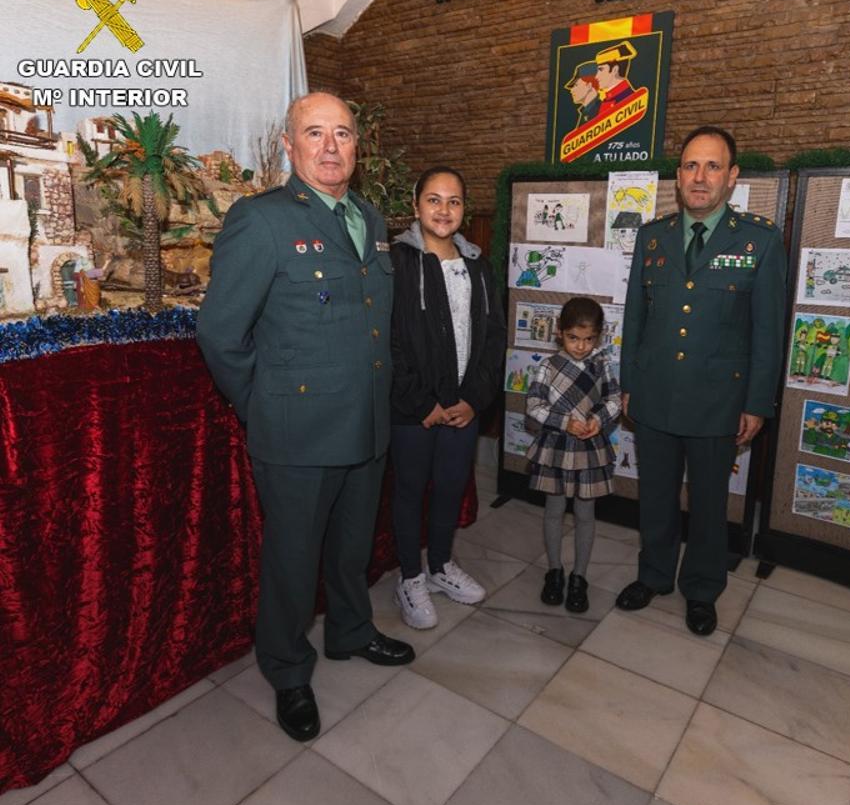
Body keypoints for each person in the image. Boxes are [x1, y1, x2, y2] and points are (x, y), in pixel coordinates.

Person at [196, 92, 412, 743]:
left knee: (350, 548)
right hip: (297, 433)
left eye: (342, 133)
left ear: (357, 147)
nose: (329, 146)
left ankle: (350, 630)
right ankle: (288, 668)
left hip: (365, 424)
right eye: (313, 133)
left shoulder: (370, 217)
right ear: (288, 146)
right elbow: (219, 332)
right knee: (293, 561)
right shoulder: (260, 221)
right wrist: (261, 404)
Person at [617, 125, 785, 636]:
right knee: (657, 495)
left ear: (732, 177)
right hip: (656, 392)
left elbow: (768, 330)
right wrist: (629, 383)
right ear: (677, 176)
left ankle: (703, 588)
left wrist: (756, 401)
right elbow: (635, 319)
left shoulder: (759, 240)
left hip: (719, 401)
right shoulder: (653, 236)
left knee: (710, 503)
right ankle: (654, 575)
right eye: (690, 165)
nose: (700, 176)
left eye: (713, 166)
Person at [389, 166, 506, 630]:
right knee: (410, 490)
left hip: (463, 408)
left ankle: (439, 566)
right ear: (416, 206)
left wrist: (475, 399)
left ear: (464, 209)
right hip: (412, 410)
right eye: (433, 200)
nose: (443, 210)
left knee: (451, 486)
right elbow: (389, 340)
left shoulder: (478, 264)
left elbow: (494, 337)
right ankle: (410, 577)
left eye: (453, 201)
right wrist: (422, 403)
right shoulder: (396, 261)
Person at [525, 297, 622, 614]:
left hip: (589, 451)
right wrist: (566, 422)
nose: (581, 347)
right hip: (556, 448)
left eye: (589, 339)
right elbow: (534, 408)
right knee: (553, 511)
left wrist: (597, 420)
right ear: (559, 333)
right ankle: (555, 572)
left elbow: (614, 400)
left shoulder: (602, 364)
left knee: (585, 514)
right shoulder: (546, 368)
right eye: (573, 338)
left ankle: (579, 577)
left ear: (599, 336)